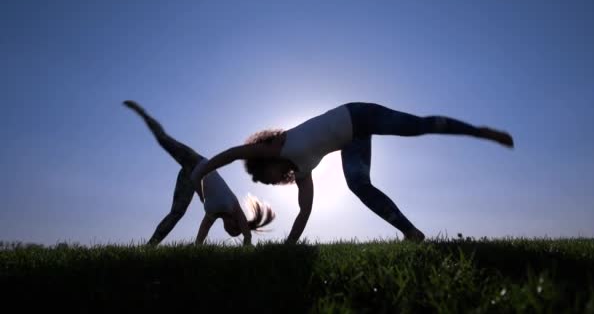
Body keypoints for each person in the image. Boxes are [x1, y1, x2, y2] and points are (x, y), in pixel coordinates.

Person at [191, 102, 514, 244]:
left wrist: (202, 170)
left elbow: (232, 154)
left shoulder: (273, 147)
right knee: (358, 185)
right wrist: (290, 243)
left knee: (416, 127)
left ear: (265, 164)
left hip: (357, 113)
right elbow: (304, 211)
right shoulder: (303, 171)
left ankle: (479, 131)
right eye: (271, 183)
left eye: (268, 177)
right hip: (353, 138)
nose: (274, 181)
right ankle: (411, 233)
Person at [123, 100, 274, 246]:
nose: (229, 232)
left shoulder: (212, 214)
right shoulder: (234, 207)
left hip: (188, 178)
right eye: (234, 230)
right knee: (164, 140)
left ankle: (150, 246)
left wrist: (197, 246)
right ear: (237, 223)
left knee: (177, 213)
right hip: (196, 162)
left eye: (230, 233)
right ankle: (143, 114)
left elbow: (203, 232)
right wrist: (247, 243)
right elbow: (247, 235)